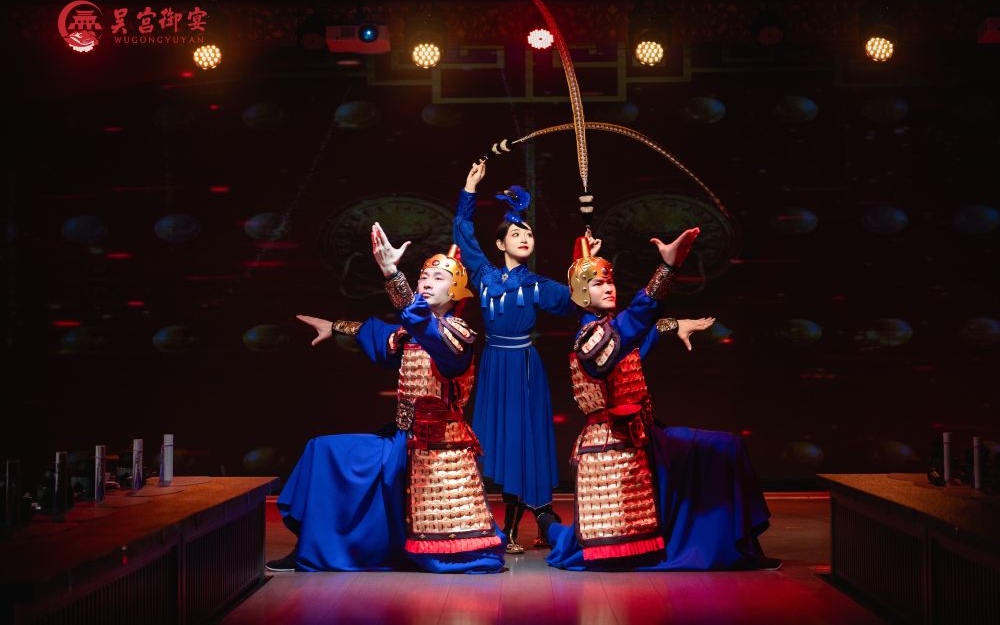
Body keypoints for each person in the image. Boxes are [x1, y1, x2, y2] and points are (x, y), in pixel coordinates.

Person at [267, 223, 504, 573]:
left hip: (436, 450)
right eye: (423, 277)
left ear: (455, 290)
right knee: (324, 451)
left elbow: (425, 329)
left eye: (437, 278)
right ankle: (313, 547)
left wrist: (393, 273)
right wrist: (335, 326)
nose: (426, 283)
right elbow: (380, 334)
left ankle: (334, 548)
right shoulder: (414, 332)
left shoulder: (456, 335)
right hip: (401, 441)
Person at [539, 230, 780, 571]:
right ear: (580, 294)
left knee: (727, 448)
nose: (608, 288)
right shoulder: (590, 340)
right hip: (614, 446)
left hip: (647, 437)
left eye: (610, 281)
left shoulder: (612, 332)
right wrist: (667, 269)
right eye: (597, 284)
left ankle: (736, 548)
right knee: (602, 550)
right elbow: (635, 323)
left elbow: (640, 332)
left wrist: (674, 324)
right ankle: (549, 526)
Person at [454, 159, 605, 552]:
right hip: (494, 367)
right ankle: (505, 524)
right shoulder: (484, 275)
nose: (524, 237)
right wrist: (469, 190)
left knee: (522, 443)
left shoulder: (538, 285)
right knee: (496, 444)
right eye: (516, 233)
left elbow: (579, 299)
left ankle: (517, 528)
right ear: (500, 244)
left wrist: (587, 264)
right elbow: (463, 231)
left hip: (523, 369)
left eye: (529, 233)